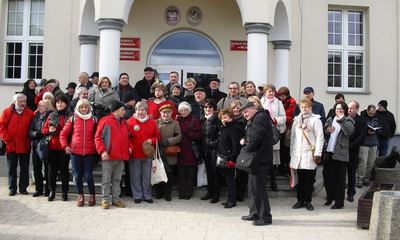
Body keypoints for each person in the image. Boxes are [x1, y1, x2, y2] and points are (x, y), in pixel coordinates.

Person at [239, 102, 273, 226]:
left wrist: (246, 147)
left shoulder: (260, 117)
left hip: (260, 158)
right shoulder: (256, 118)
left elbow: (255, 137)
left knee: (259, 188)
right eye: (243, 113)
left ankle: (265, 216)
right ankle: (254, 213)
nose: (245, 115)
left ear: (254, 108)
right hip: (257, 158)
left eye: (246, 111)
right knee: (253, 187)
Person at [60, 99, 97, 207]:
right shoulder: (73, 119)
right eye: (82, 107)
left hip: (89, 152)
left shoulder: (94, 120)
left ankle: (92, 196)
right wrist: (65, 146)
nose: (84, 109)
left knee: (89, 176)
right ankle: (80, 197)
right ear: (78, 108)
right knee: (77, 175)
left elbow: (98, 135)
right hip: (75, 152)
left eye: (86, 107)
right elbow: (63, 134)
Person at [95, 100, 132, 209]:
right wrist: (102, 151)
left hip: (120, 156)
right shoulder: (105, 121)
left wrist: (130, 147)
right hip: (109, 156)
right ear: (115, 111)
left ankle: (116, 199)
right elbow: (98, 137)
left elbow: (128, 138)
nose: (124, 112)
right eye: (122, 110)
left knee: (117, 179)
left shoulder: (124, 122)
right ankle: (105, 199)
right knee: (106, 179)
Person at [290, 99, 324, 211]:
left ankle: (308, 201)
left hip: (310, 154)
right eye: (302, 107)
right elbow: (293, 138)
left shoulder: (315, 120)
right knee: (299, 179)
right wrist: (292, 153)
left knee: (309, 180)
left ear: (310, 108)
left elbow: (320, 138)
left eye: (306, 106)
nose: (304, 109)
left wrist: (318, 153)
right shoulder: (296, 120)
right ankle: (300, 200)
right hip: (298, 154)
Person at [0, 93, 34, 196]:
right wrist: (7, 140)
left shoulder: (30, 113)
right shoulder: (7, 112)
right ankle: (12, 188)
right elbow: (2, 127)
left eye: (24, 101)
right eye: (21, 102)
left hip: (24, 145)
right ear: (15, 102)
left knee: (24, 168)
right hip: (11, 145)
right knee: (12, 168)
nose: (23, 103)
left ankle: (23, 188)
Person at [127, 102, 161, 204]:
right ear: (135, 110)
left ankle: (147, 195)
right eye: (138, 110)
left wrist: (152, 141)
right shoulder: (129, 122)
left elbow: (157, 137)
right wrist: (130, 147)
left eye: (142, 110)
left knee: (147, 176)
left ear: (146, 111)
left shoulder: (152, 122)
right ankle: (137, 195)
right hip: (135, 154)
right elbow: (127, 138)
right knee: (135, 176)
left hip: (148, 154)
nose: (140, 112)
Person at [323, 102, 354, 209]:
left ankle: (339, 202)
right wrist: (327, 130)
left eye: (341, 109)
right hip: (329, 151)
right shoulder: (331, 119)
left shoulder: (348, 120)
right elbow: (324, 130)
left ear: (345, 110)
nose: (339, 111)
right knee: (326, 174)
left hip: (340, 153)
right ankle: (330, 197)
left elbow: (349, 131)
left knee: (340, 179)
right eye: (337, 109)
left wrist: (342, 120)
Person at [42, 94, 72, 201]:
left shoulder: (71, 116)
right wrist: (48, 131)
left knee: (64, 170)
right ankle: (52, 191)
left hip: (64, 147)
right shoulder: (51, 115)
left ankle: (65, 192)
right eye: (58, 103)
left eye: (62, 102)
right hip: (53, 146)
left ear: (66, 104)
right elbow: (44, 130)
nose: (60, 104)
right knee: (52, 170)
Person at [260, 84, 286, 191]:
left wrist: (275, 120)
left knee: (273, 159)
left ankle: (273, 181)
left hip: (274, 132)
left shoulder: (278, 103)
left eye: (272, 91)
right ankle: (263, 182)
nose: (271, 93)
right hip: (263, 133)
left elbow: (283, 118)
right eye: (268, 91)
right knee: (264, 158)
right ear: (264, 92)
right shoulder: (260, 102)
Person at [155, 104, 182, 201]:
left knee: (169, 174)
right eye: (164, 113)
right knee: (158, 173)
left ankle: (167, 194)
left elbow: (179, 136)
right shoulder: (155, 122)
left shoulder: (175, 123)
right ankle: (159, 193)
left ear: (171, 113)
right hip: (158, 153)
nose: (166, 115)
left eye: (168, 113)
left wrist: (169, 141)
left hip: (170, 153)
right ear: (160, 113)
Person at [177, 102, 202, 199]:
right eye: (181, 110)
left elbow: (199, 135)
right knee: (181, 173)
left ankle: (188, 193)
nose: (183, 112)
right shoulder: (178, 121)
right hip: (180, 150)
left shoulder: (195, 120)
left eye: (185, 110)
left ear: (189, 110)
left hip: (191, 150)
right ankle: (182, 192)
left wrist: (190, 134)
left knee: (190, 174)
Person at [217, 108, 242, 208]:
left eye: (226, 118)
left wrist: (233, 159)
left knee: (231, 180)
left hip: (229, 158)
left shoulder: (234, 128)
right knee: (227, 180)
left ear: (231, 117)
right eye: (222, 118)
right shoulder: (223, 128)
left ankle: (232, 200)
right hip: (222, 157)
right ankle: (229, 199)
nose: (224, 120)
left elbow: (236, 145)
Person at [28, 100, 53, 197]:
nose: (40, 108)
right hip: (36, 145)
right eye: (39, 106)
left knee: (47, 168)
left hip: (47, 145)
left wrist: (45, 133)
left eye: (42, 106)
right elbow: (30, 130)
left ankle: (48, 189)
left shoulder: (51, 116)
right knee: (36, 167)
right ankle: (38, 189)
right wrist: (35, 134)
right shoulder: (35, 117)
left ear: (47, 107)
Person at [346, 100, 367, 202]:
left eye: (352, 108)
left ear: (357, 109)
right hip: (342, 150)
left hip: (353, 150)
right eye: (349, 108)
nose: (349, 110)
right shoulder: (344, 119)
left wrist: (350, 146)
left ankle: (351, 193)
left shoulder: (362, 121)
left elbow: (361, 137)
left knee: (351, 173)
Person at [199, 99, 220, 202]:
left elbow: (220, 135)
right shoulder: (203, 119)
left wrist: (213, 145)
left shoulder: (217, 119)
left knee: (216, 173)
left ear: (214, 108)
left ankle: (216, 194)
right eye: (205, 107)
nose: (207, 109)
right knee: (209, 172)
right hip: (206, 150)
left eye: (210, 107)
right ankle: (210, 192)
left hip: (215, 150)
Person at [358, 105, 380, 187]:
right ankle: (359, 180)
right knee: (363, 162)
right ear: (367, 110)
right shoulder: (362, 119)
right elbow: (359, 130)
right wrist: (367, 132)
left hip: (373, 142)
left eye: (373, 113)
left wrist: (377, 130)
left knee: (371, 162)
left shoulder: (376, 118)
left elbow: (379, 127)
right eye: (370, 113)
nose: (372, 115)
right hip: (364, 143)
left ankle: (366, 179)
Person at [277, 86, 296, 177]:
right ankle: (281, 169)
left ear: (287, 95)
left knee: (287, 152)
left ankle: (288, 170)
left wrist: (284, 119)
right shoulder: (278, 102)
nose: (281, 98)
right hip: (280, 130)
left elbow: (293, 117)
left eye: (283, 96)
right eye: (280, 96)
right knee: (280, 152)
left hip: (288, 130)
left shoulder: (292, 103)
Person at [230, 101, 247, 202]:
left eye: (238, 108)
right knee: (234, 173)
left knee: (243, 173)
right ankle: (234, 192)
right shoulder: (230, 121)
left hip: (243, 149)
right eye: (234, 108)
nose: (236, 110)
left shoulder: (245, 120)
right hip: (232, 149)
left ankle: (241, 192)